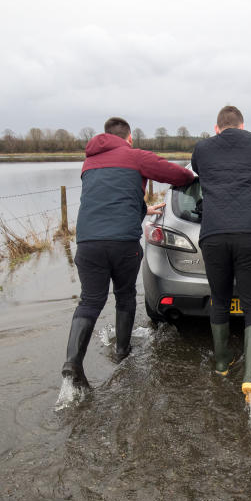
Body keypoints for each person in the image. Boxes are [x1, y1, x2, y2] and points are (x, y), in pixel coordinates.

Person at [62, 116, 195, 387]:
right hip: (122, 243)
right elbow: (180, 176)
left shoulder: (89, 163)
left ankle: (73, 362)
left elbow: (108, 200)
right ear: (129, 138)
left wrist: (141, 208)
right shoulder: (134, 156)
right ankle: (122, 352)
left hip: (88, 244)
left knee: (89, 301)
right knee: (124, 296)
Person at [191, 105, 251, 404]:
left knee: (220, 298)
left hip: (213, 235)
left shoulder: (202, 148)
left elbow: (197, 170)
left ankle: (221, 364)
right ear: (243, 126)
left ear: (216, 127)